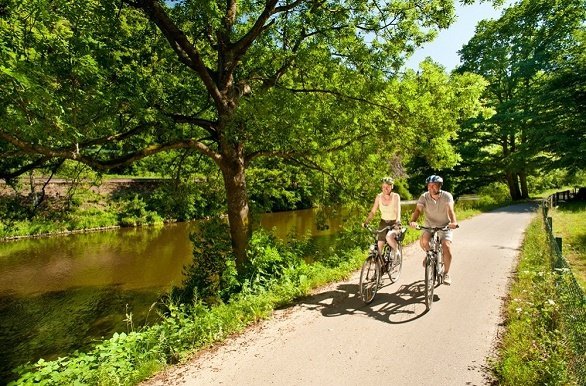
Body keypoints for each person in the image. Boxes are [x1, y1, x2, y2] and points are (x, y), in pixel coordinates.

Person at [409, 175, 458, 285]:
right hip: (429, 225)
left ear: (440, 186)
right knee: (424, 241)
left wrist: (453, 222)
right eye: (429, 186)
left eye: (434, 186)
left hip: (445, 226)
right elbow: (418, 210)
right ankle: (429, 255)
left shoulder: (447, 196)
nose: (431, 188)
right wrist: (413, 221)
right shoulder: (424, 197)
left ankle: (446, 273)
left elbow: (450, 210)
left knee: (446, 246)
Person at [363, 177, 402, 259]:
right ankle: (381, 266)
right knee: (379, 246)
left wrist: (397, 222)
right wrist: (366, 222)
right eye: (383, 187)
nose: (385, 189)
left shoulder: (396, 196)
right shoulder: (379, 197)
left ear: (392, 187)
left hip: (394, 222)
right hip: (383, 223)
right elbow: (373, 211)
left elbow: (398, 211)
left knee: (389, 237)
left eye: (388, 186)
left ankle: (396, 251)